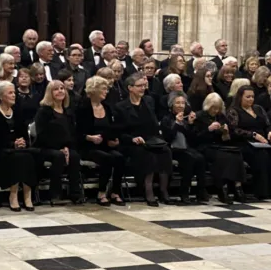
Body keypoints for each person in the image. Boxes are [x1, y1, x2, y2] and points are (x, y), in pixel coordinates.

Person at [115, 73, 172, 206]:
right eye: (139, 86)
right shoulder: (121, 106)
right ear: (130, 87)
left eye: (144, 86)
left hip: (150, 139)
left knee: (165, 151)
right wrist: (132, 139)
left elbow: (153, 123)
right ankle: (148, 190)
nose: (143, 88)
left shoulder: (149, 101)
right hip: (132, 142)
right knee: (148, 154)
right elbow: (119, 131)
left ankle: (164, 190)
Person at [0, 80, 37, 212]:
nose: (14, 95)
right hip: (0, 151)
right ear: (1, 96)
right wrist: (12, 143)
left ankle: (27, 194)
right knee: (17, 157)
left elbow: (24, 133)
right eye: (10, 93)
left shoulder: (18, 112)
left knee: (28, 155)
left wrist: (22, 141)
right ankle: (13, 195)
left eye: (14, 92)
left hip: (18, 149)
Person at [227, 85, 271, 200]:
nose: (251, 99)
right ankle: (261, 191)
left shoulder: (258, 109)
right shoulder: (233, 111)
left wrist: (270, 132)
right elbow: (234, 130)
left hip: (262, 141)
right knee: (261, 156)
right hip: (244, 142)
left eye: (252, 97)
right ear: (240, 97)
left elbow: (267, 125)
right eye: (247, 97)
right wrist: (252, 135)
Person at [76, 76, 125, 206]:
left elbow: (110, 128)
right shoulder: (83, 108)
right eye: (104, 89)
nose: (106, 92)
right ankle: (101, 192)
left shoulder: (107, 108)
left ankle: (115, 192)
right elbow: (76, 132)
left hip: (104, 144)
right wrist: (90, 138)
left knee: (119, 157)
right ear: (95, 90)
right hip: (87, 146)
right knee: (107, 158)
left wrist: (112, 140)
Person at [34, 80, 84, 204]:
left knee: (74, 156)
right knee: (59, 156)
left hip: (64, 147)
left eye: (62, 88)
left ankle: (75, 193)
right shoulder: (44, 111)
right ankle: (55, 194)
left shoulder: (68, 112)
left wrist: (67, 147)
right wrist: (59, 148)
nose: (60, 91)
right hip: (45, 147)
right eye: (56, 89)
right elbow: (41, 134)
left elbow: (73, 134)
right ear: (50, 93)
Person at [191, 92, 245, 202]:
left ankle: (237, 187)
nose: (215, 111)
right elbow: (195, 138)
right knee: (222, 157)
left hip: (220, 144)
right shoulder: (200, 116)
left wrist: (225, 132)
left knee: (236, 155)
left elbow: (228, 137)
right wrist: (209, 129)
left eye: (218, 108)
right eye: (213, 108)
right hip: (205, 146)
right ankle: (222, 189)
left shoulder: (221, 116)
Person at [161, 92, 209, 203]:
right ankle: (184, 192)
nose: (181, 105)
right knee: (189, 159)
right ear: (171, 104)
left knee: (201, 158)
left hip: (186, 148)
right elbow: (168, 137)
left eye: (183, 103)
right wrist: (177, 123)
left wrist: (191, 124)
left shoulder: (186, 118)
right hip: (172, 149)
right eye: (177, 103)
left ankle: (201, 191)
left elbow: (192, 139)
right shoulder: (167, 119)